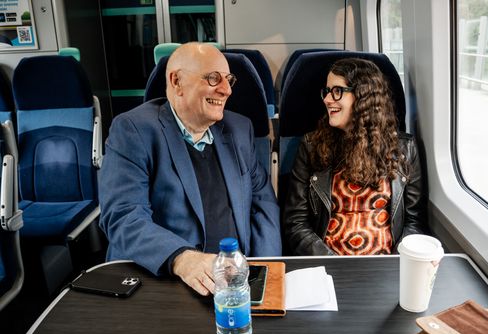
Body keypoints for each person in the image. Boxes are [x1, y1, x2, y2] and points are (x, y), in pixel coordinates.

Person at [99, 42, 281, 295]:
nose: (226, 90)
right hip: (167, 278)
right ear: (177, 82)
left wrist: (265, 271)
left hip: (236, 279)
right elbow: (123, 215)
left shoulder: (240, 129)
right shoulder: (133, 130)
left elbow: (264, 205)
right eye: (213, 78)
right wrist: (181, 259)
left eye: (229, 79)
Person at [283, 58, 427, 256]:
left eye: (337, 91)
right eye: (327, 91)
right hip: (328, 261)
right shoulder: (311, 146)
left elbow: (414, 221)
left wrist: (395, 262)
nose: (327, 99)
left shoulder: (404, 148)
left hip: (386, 263)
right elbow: (295, 222)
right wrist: (332, 262)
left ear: (362, 96)